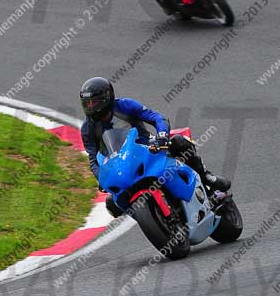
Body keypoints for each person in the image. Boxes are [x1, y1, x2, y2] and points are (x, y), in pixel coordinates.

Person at [79, 77, 230, 216]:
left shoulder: (125, 105)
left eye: (95, 102)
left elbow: (156, 117)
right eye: (88, 104)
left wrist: (162, 136)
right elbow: (93, 159)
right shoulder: (88, 129)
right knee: (112, 203)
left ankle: (206, 178)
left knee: (178, 142)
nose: (91, 107)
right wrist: (101, 177)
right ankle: (151, 215)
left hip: (148, 148)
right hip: (122, 163)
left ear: (107, 97)